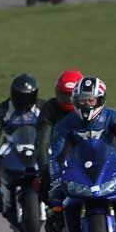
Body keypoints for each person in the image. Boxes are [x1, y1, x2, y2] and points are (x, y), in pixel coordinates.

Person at [46, 76, 116, 232]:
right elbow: (55, 154)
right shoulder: (65, 124)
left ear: (100, 100)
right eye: (81, 101)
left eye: (90, 101)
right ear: (75, 101)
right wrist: (56, 177)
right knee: (54, 199)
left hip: (110, 167)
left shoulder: (114, 118)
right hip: (77, 169)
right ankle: (63, 225)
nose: (86, 105)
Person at [0, 74, 43, 214]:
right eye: (20, 96)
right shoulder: (1, 110)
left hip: (38, 143)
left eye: (27, 97)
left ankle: (54, 194)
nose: (24, 101)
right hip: (10, 143)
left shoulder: (43, 108)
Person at [36, 69, 84, 203]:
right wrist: (44, 168)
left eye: (71, 96)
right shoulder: (50, 108)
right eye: (63, 95)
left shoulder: (89, 106)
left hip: (86, 152)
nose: (68, 100)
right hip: (60, 154)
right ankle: (54, 214)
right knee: (46, 186)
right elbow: (42, 141)